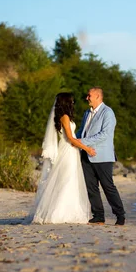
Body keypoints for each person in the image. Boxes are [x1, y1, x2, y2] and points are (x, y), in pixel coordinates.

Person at [28, 92, 96, 224]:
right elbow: (70, 138)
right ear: (66, 102)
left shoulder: (65, 116)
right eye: (71, 101)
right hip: (67, 151)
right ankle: (60, 213)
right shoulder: (64, 117)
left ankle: (69, 210)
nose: (73, 103)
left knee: (69, 179)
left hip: (71, 151)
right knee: (67, 179)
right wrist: (87, 148)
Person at [77, 87, 126, 226]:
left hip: (103, 156)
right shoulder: (87, 112)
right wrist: (72, 140)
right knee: (91, 187)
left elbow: (105, 134)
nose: (87, 98)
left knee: (108, 186)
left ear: (98, 96)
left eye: (89, 95)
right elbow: (82, 131)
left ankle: (120, 215)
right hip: (86, 155)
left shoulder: (108, 112)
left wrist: (83, 142)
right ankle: (98, 216)